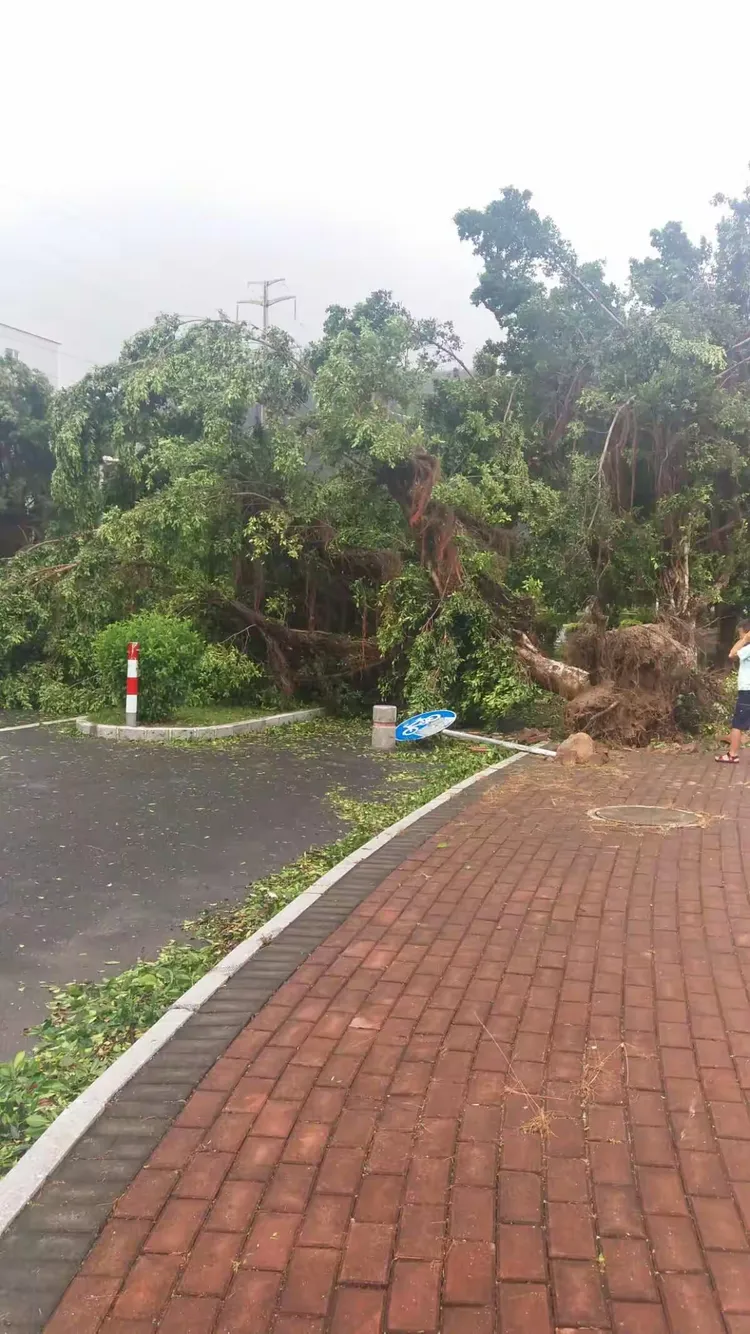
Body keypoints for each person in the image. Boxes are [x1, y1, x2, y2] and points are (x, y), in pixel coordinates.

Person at [717, 620, 750, 763]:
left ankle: (733, 755)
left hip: (747, 690)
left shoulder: (748, 648)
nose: (739, 636)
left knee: (738, 723)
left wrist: (745, 639)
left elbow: (732, 654)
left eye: (740, 633)